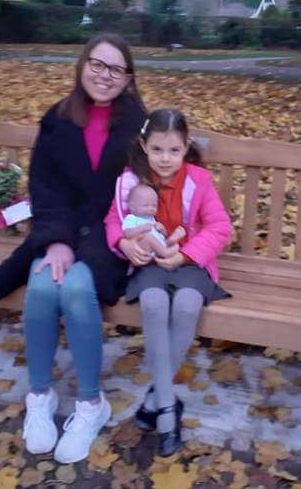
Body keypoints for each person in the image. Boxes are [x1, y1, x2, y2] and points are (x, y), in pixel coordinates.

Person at [0, 33, 146, 464]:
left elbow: (148, 189)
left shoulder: (138, 125)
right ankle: (40, 396)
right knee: (40, 285)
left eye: (116, 69)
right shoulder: (57, 118)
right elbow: (45, 187)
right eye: (98, 64)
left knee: (73, 290)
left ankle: (91, 404)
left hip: (114, 238)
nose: (105, 75)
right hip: (61, 230)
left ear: (128, 78)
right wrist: (56, 240)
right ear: (82, 64)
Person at [104, 108, 232, 456]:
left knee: (189, 303)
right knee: (155, 303)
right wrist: (124, 243)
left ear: (186, 147)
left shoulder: (199, 180)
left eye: (174, 150)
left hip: (188, 259)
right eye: (157, 149)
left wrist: (186, 255)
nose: (165, 158)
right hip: (149, 262)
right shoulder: (130, 181)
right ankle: (165, 410)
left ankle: (155, 402)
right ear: (144, 146)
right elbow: (113, 221)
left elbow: (219, 228)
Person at [122, 183, 187, 258]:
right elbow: (127, 234)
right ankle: (165, 252)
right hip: (142, 248)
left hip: (156, 248)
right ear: (132, 207)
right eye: (146, 205)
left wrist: (162, 229)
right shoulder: (131, 218)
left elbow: (163, 235)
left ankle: (168, 243)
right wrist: (141, 228)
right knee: (148, 237)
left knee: (162, 238)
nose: (151, 208)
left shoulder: (151, 219)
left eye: (154, 206)